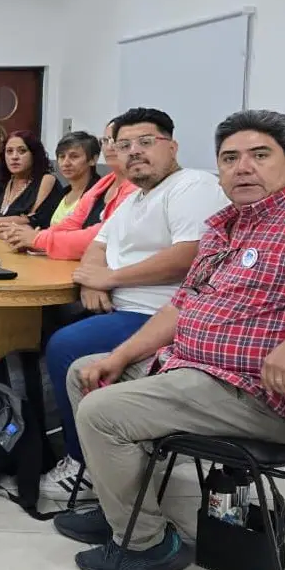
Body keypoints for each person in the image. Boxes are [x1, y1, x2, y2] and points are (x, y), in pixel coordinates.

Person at [53, 109, 285, 570]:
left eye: (260, 155)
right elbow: (182, 305)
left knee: (102, 412)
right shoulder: (225, 225)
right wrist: (120, 357)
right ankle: (126, 511)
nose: (243, 167)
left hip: (253, 393)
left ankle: (146, 543)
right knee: (87, 371)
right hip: (190, 371)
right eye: (230, 158)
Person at [37, 107, 229, 502]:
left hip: (158, 312)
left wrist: (110, 278)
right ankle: (87, 441)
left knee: (66, 345)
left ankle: (83, 466)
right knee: (49, 323)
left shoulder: (192, 186)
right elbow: (96, 247)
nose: (134, 152)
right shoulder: (135, 198)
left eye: (146, 142)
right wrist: (93, 283)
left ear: (172, 146)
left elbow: (188, 255)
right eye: (124, 145)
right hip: (120, 304)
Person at [0, 121, 138, 260]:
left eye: (117, 141)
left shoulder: (137, 186)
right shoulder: (104, 183)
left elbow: (102, 235)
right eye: (106, 140)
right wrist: (30, 238)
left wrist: (37, 239)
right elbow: (72, 222)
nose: (110, 146)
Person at [29, 131, 101, 229]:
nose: (66, 163)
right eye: (62, 156)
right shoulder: (62, 194)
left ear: (93, 159)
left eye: (74, 156)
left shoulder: (99, 196)